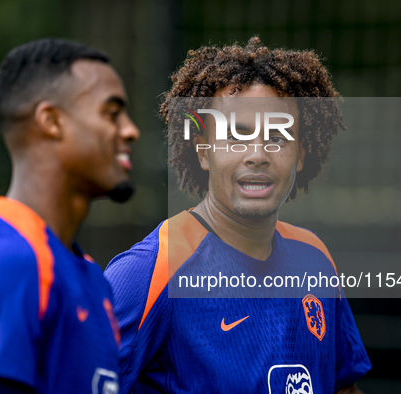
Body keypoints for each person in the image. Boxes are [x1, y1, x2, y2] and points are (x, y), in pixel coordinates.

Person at [104, 37, 370, 393]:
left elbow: (342, 387)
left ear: (302, 154)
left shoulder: (315, 259)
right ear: (203, 151)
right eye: (237, 134)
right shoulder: (150, 271)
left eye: (277, 135)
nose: (257, 154)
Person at [0, 38, 139, 394]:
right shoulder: (10, 262)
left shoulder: (90, 275)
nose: (130, 130)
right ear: (51, 121)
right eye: (112, 112)